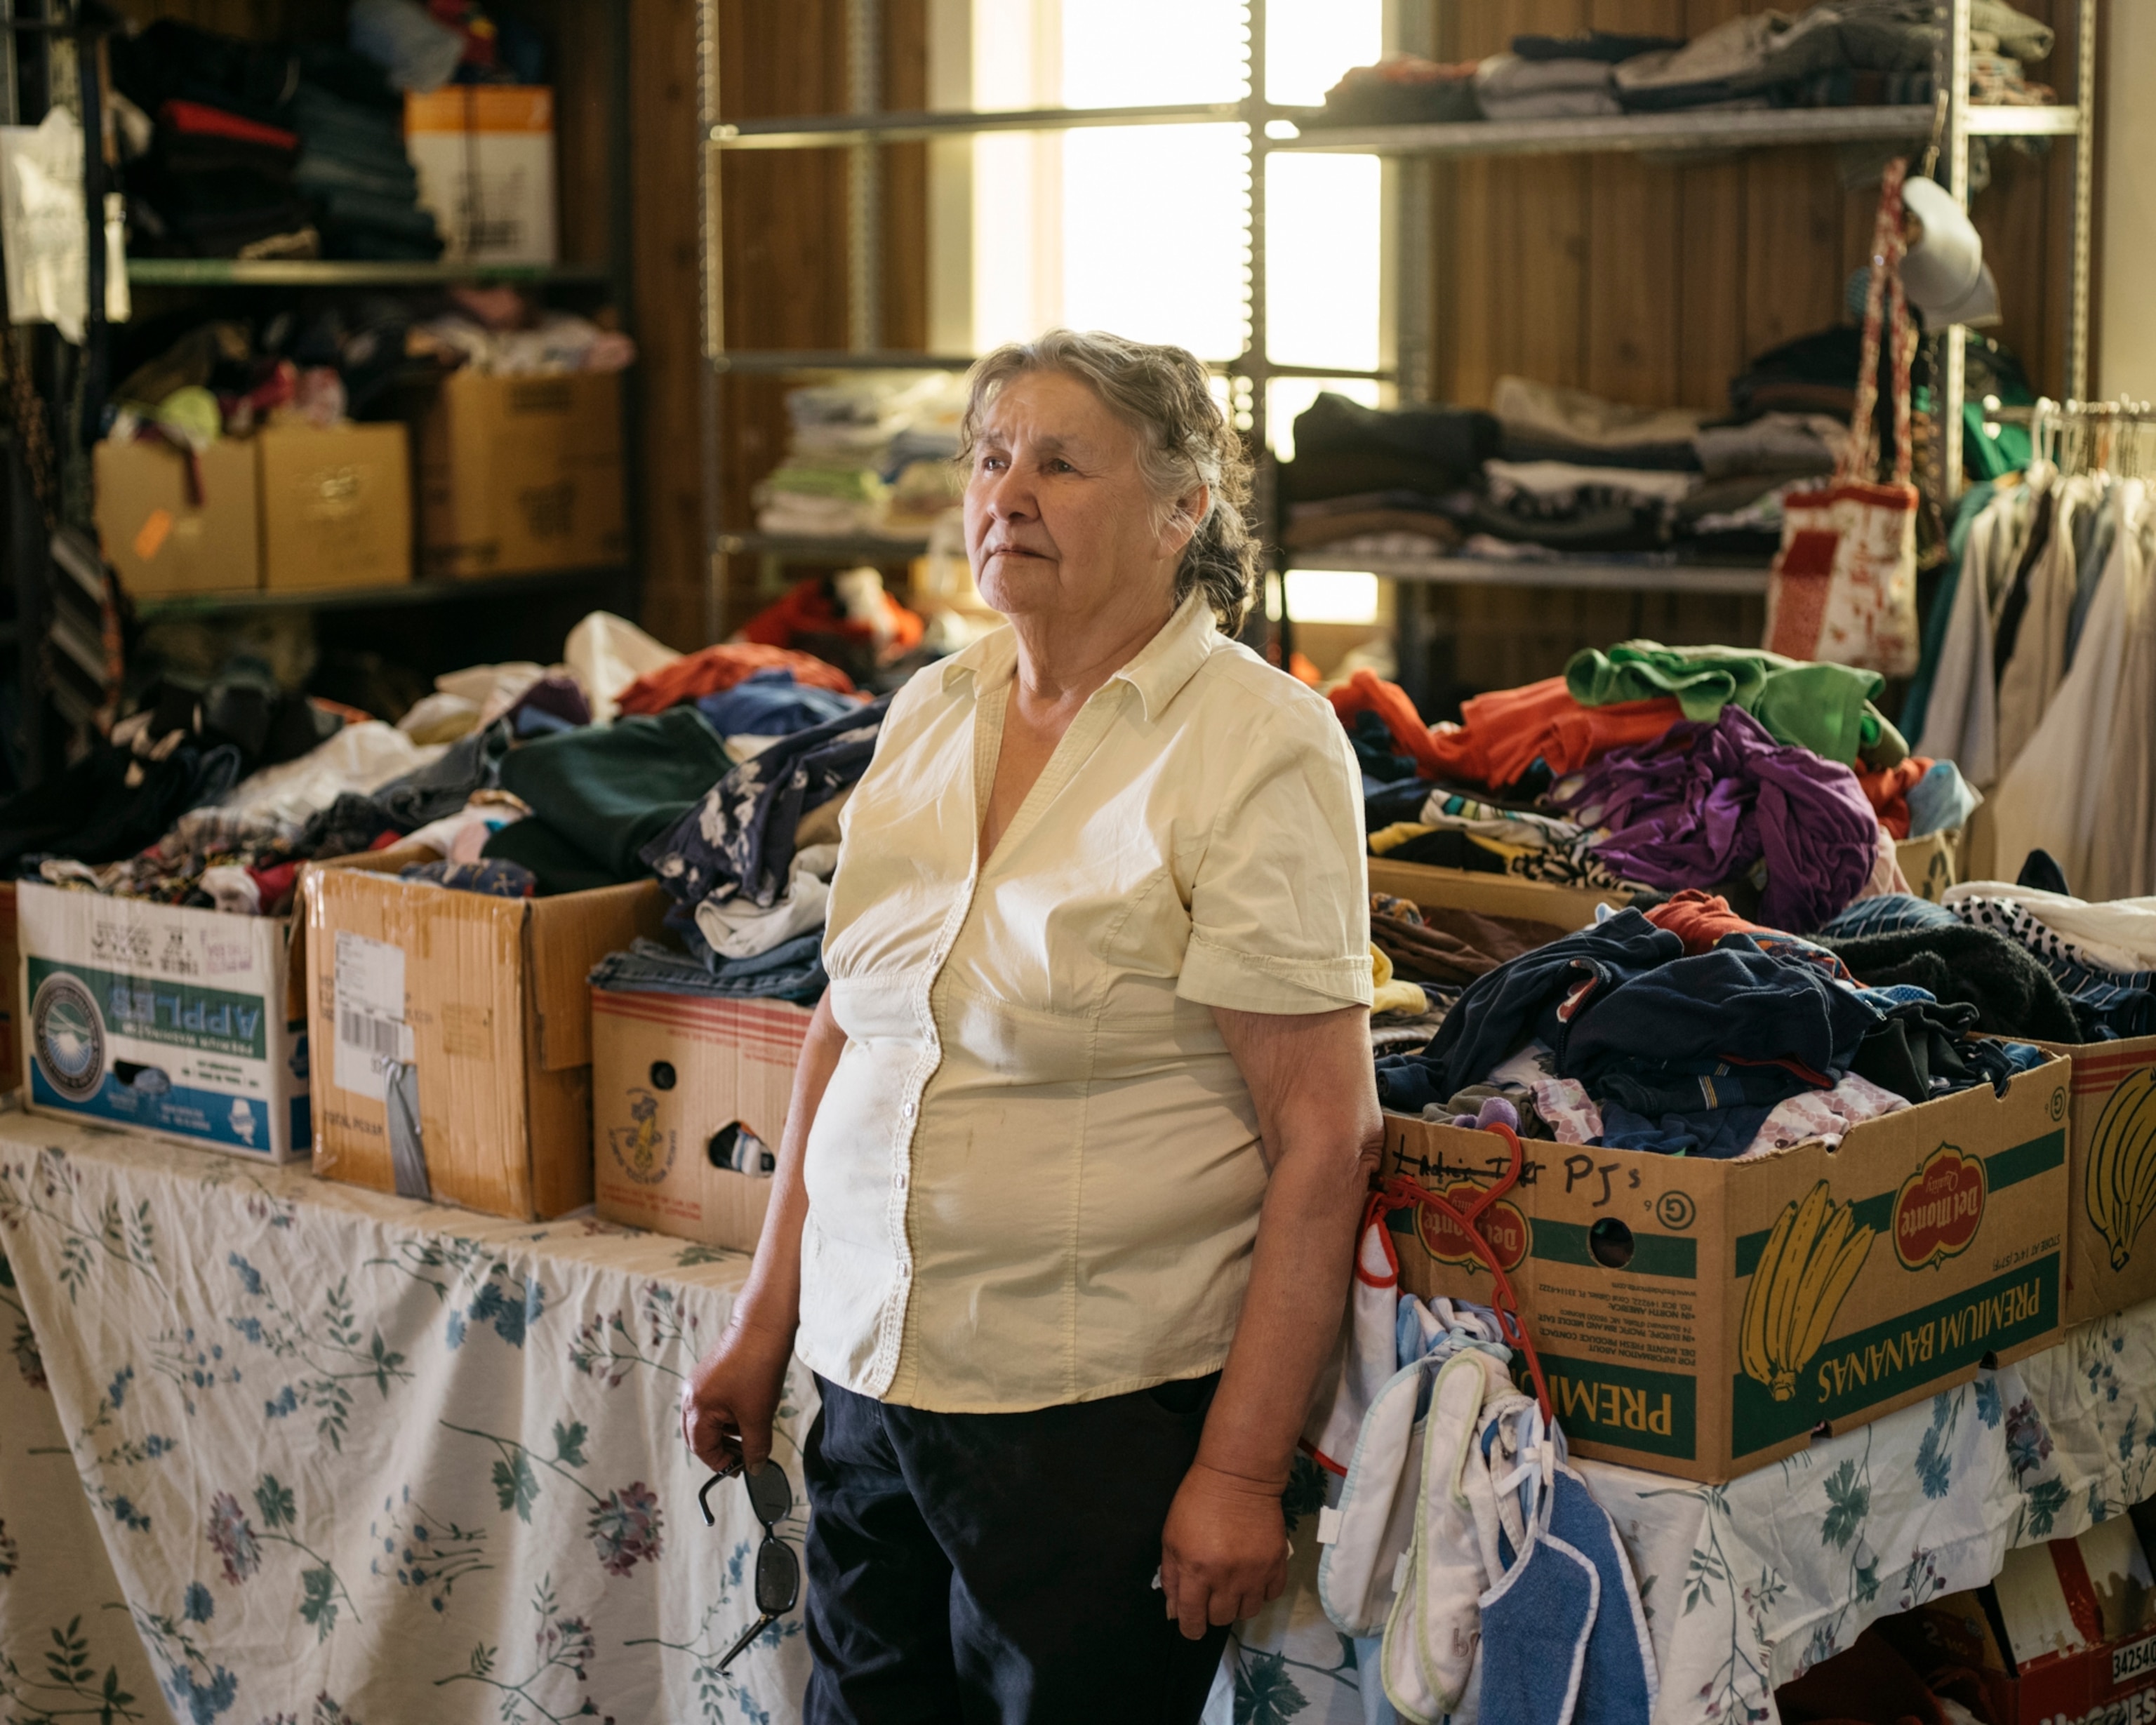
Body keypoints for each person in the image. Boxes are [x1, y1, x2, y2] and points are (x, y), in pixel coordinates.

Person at [681, 328, 1381, 1724]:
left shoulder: (1258, 745)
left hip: (1093, 1414)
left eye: (1062, 461)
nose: (1009, 491)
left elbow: (1325, 1131)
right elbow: (850, 1029)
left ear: (1186, 509)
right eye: (991, 456)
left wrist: (1239, 1469)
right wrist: (767, 1321)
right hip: (874, 1377)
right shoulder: (931, 713)